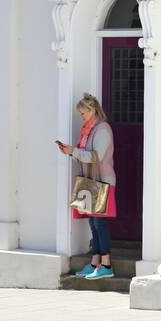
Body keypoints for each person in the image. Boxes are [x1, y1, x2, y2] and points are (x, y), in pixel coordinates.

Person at [57, 93, 117, 280]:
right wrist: (70, 152)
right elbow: (85, 155)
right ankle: (95, 263)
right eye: (80, 114)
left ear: (93, 110)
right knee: (93, 223)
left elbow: (95, 156)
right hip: (90, 181)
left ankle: (106, 265)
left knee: (100, 223)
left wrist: (73, 151)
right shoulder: (88, 130)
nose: (81, 117)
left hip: (102, 180)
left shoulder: (102, 130)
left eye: (83, 113)